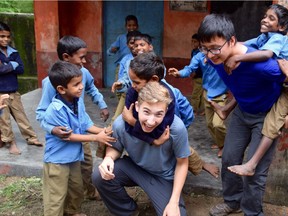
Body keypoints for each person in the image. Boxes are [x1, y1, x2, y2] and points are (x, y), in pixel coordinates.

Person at [197, 14, 285, 216]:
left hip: (265, 116)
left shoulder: (263, 65)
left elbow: (284, 77)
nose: (210, 55)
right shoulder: (214, 59)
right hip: (242, 113)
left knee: (254, 171)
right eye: (205, 48)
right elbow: (237, 83)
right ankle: (232, 202)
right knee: (229, 159)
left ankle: (252, 212)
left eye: (215, 48)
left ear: (233, 41)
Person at [93, 81, 191, 216]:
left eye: (158, 114)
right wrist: (108, 158)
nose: (151, 121)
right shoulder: (121, 124)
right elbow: (115, 147)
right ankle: (128, 211)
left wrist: (174, 201)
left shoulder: (176, 128)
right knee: (99, 176)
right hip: (134, 168)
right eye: (147, 112)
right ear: (137, 107)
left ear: (166, 111)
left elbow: (182, 163)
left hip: (163, 177)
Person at [124, 52, 219, 178]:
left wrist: (132, 121)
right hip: (156, 123)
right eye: (132, 81)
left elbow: (158, 132)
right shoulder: (133, 91)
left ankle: (201, 164)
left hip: (182, 118)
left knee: (177, 145)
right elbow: (127, 126)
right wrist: (152, 140)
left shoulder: (168, 98)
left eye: (136, 82)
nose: (132, 85)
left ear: (153, 80)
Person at [36, 35, 109, 201]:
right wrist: (52, 129)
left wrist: (102, 104)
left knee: (86, 164)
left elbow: (92, 89)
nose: (84, 61)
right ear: (66, 57)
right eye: (81, 57)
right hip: (64, 136)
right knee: (62, 171)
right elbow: (41, 113)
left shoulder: (83, 73)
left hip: (80, 129)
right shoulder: (51, 82)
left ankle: (88, 192)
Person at [220, 4, 288, 176]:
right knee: (246, 89)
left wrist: (238, 57)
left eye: (271, 18)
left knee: (272, 125)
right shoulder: (264, 36)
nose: (265, 19)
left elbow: (266, 55)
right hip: (272, 84)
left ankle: (252, 164)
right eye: (265, 16)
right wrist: (222, 48)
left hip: (285, 89)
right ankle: (227, 109)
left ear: (281, 27)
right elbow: (243, 44)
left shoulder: (278, 38)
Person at [42, 61, 115, 216]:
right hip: (57, 160)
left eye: (81, 82)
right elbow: (68, 136)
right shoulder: (55, 109)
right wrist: (96, 138)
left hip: (74, 157)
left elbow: (85, 123)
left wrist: (104, 131)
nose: (81, 87)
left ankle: (73, 212)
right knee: (56, 194)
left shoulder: (77, 102)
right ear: (61, 89)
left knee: (76, 187)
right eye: (76, 84)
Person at [168, 40, 228, 158]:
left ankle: (225, 145)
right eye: (204, 48)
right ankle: (220, 142)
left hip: (220, 95)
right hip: (207, 93)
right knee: (210, 123)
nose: (206, 51)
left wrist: (212, 60)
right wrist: (179, 73)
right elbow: (189, 69)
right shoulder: (199, 56)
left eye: (210, 47)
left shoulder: (222, 54)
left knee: (217, 124)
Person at [0, 21, 42, 155]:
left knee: (21, 116)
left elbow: (22, 69)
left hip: (14, 91)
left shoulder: (14, 52)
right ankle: (10, 142)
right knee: (4, 119)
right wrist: (12, 65)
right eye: (1, 36)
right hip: (1, 94)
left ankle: (31, 137)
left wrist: (6, 66)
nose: (5, 39)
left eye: (7, 36)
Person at [110, 30, 141, 125]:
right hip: (128, 92)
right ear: (127, 44)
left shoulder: (150, 59)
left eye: (139, 44)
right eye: (132, 43)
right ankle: (108, 136)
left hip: (146, 94)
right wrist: (121, 83)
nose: (136, 47)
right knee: (116, 120)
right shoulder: (126, 60)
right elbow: (124, 77)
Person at [107, 15, 139, 88]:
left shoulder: (140, 37)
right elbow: (109, 51)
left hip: (136, 65)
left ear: (137, 26)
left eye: (134, 25)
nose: (131, 27)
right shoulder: (121, 38)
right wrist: (112, 50)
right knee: (119, 86)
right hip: (121, 65)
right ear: (126, 26)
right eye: (129, 25)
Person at [190, 33, 205, 116]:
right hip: (197, 76)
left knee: (196, 94)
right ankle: (202, 109)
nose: (193, 44)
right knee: (199, 93)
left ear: (200, 43)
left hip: (200, 76)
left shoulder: (201, 53)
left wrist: (194, 72)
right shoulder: (193, 52)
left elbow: (199, 65)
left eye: (195, 42)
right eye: (192, 41)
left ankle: (195, 110)